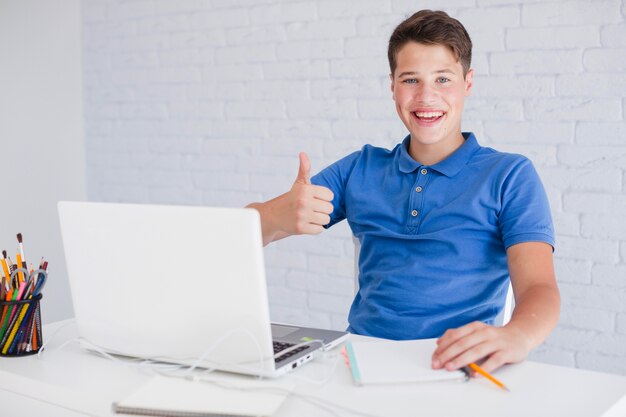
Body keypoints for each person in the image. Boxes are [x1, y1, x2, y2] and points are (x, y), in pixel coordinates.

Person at [246, 10, 560, 374]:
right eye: (411, 79)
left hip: (454, 365)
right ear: (392, 85)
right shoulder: (360, 168)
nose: (426, 96)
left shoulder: (509, 175)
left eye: (443, 79)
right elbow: (239, 233)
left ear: (467, 83)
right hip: (361, 360)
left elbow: (540, 286)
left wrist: (517, 336)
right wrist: (273, 216)